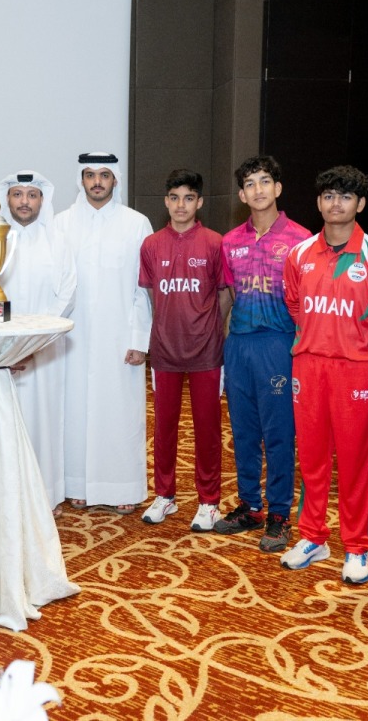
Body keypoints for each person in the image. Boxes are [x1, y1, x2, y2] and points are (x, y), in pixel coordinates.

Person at [280, 165, 368, 584]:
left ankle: (357, 546)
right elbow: (294, 306)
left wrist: (347, 342)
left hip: (357, 370)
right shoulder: (298, 255)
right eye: (329, 195)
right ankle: (313, 537)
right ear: (318, 202)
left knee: (354, 460)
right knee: (310, 458)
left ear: (360, 204)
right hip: (308, 366)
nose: (336, 203)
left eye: (345, 197)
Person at [214, 156, 310, 552]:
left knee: (279, 434)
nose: (258, 190)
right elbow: (227, 295)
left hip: (278, 345)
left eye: (265, 181)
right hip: (239, 345)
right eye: (250, 184)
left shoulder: (301, 240)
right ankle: (251, 506)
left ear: (278, 188)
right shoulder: (230, 240)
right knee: (244, 431)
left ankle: (279, 514)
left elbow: (307, 302)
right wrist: (221, 346)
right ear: (241, 194)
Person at [52, 152, 152, 514]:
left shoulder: (136, 223)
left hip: (119, 338)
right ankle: (77, 484)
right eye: (90, 174)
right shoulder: (61, 223)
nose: (97, 181)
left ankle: (121, 485)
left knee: (120, 411)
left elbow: (144, 288)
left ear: (115, 180)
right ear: (81, 179)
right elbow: (56, 285)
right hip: (72, 337)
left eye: (104, 175)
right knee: (74, 410)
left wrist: (139, 340)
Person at [0, 170, 75, 514]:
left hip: (46, 350)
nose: (25, 202)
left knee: (46, 424)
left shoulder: (59, 240)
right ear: (7, 199)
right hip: (4, 352)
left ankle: (46, 496)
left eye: (32, 195)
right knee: (4, 425)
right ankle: (7, 498)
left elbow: (67, 293)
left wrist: (36, 341)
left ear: (42, 200)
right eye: (17, 195)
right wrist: (9, 345)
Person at [139, 169, 227, 531]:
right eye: (174, 198)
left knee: (208, 428)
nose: (180, 205)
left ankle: (209, 502)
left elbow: (223, 294)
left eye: (188, 198)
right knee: (164, 428)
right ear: (166, 202)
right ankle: (166, 495)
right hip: (164, 352)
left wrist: (209, 329)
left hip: (207, 351)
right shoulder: (151, 245)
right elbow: (148, 294)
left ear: (200, 202)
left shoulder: (214, 242)